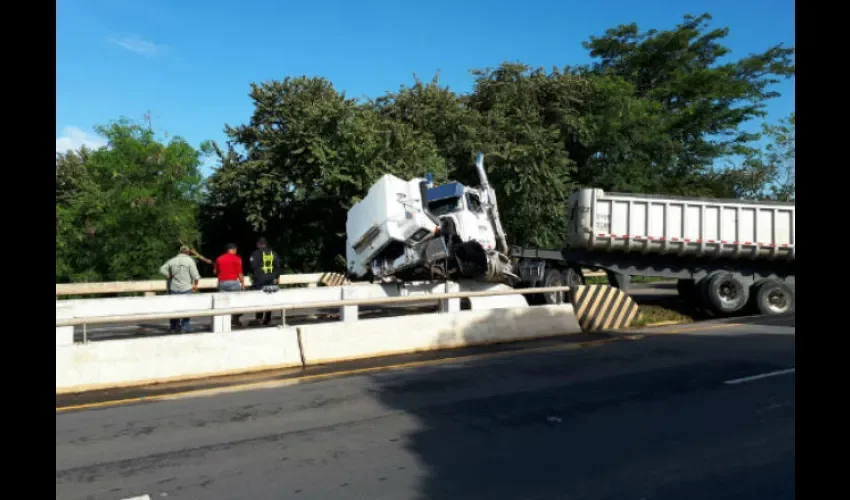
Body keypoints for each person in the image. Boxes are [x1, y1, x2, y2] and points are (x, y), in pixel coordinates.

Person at [159, 245, 201, 333]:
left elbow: (162, 269)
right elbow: (196, 276)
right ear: (188, 252)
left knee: (174, 308)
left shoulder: (172, 260)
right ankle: (185, 326)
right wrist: (195, 285)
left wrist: (168, 274)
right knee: (186, 308)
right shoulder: (190, 261)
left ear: (180, 251)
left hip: (174, 287)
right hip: (186, 288)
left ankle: (174, 326)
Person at [250, 237, 281, 326]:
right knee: (269, 298)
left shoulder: (255, 254)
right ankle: (268, 318)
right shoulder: (273, 253)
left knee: (259, 299)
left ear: (258, 244)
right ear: (266, 244)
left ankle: (259, 318)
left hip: (259, 280)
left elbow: (253, 267)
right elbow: (278, 267)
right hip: (271, 279)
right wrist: (276, 277)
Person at [215, 243, 245, 326]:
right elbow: (240, 273)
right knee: (237, 302)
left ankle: (222, 322)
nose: (236, 251)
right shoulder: (237, 259)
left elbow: (216, 272)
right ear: (233, 249)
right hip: (233, 283)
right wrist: (242, 283)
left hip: (222, 283)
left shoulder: (219, 259)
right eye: (235, 250)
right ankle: (235, 320)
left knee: (222, 302)